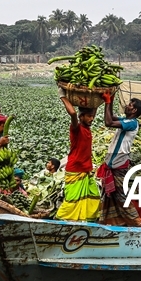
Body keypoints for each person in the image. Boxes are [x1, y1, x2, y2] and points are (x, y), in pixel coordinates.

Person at [96, 91, 141, 226]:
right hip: (113, 164)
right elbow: (111, 117)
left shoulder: (132, 123)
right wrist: (110, 100)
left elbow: (108, 122)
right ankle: (110, 223)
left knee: (122, 197)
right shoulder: (126, 120)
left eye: (130, 104)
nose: (127, 106)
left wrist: (107, 102)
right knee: (109, 196)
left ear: (134, 110)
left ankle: (137, 225)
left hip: (119, 165)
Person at [54, 93, 101, 221]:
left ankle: (85, 221)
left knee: (93, 198)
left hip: (86, 171)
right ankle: (59, 222)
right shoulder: (77, 129)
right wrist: (63, 96)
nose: (92, 119)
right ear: (82, 117)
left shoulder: (87, 127)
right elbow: (73, 114)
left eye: (92, 116)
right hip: (75, 170)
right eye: (89, 116)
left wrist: (105, 100)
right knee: (71, 202)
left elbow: (92, 113)